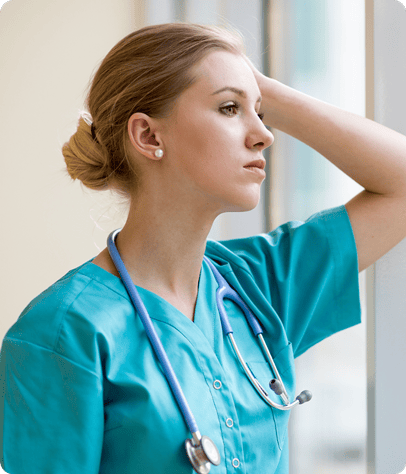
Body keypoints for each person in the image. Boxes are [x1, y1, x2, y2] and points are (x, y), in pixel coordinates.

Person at [1, 21, 406, 474]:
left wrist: (268, 95)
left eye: (261, 113)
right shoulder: (62, 334)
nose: (264, 134)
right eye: (230, 108)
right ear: (150, 137)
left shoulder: (259, 287)